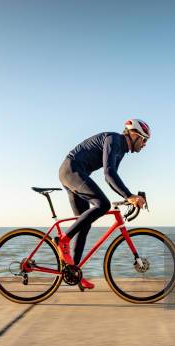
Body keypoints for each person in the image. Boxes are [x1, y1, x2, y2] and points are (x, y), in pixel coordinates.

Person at [57, 119, 150, 288]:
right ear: (134, 134)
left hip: (73, 173)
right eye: (144, 139)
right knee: (103, 205)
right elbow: (108, 173)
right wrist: (129, 195)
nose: (144, 144)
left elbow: (112, 177)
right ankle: (63, 240)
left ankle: (73, 273)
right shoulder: (114, 140)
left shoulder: (120, 151)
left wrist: (126, 196)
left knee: (84, 225)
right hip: (72, 170)